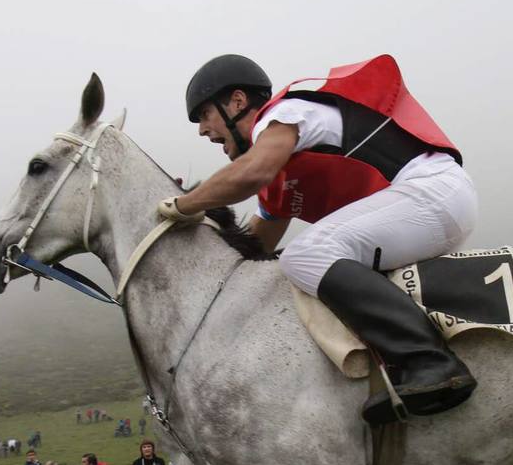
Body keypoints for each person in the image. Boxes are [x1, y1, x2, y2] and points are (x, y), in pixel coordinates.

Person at [178, 53, 477, 425]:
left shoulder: (284, 114)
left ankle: (430, 361)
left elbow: (251, 172)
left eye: (205, 115)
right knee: (298, 262)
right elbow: (252, 254)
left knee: (305, 254)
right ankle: (389, 372)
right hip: (426, 207)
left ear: (237, 102)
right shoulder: (279, 179)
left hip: (432, 192)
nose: (202, 131)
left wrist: (183, 205)